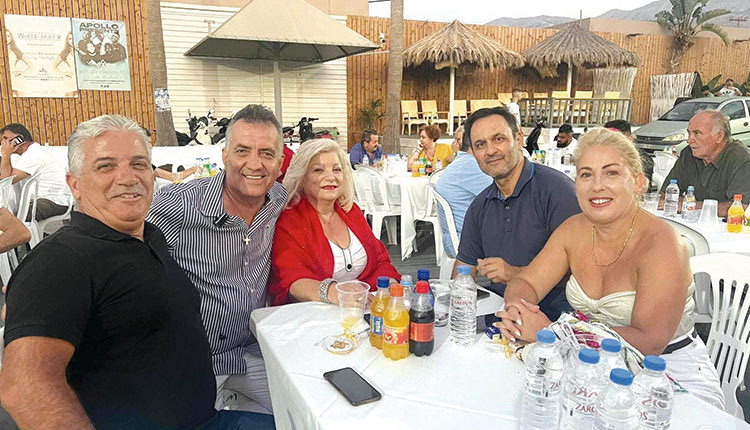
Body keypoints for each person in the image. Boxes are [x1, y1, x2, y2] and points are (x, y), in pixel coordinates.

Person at [0, 114, 273, 429]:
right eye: (106, 166)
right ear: (74, 184)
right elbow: (25, 389)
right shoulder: (61, 259)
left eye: (139, 164)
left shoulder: (150, 238)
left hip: (206, 416)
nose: (127, 178)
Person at [496, 128, 724, 409]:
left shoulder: (662, 244)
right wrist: (517, 311)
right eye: (586, 174)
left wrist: (554, 333)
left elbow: (648, 341)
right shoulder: (573, 230)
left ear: (638, 182)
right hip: (589, 367)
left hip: (667, 373)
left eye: (611, 173)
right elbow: (526, 283)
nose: (597, 186)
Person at [148, 104, 287, 415]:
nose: (255, 164)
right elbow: (119, 246)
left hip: (249, 352)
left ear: (279, 162)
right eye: (242, 151)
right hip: (192, 360)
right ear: (224, 155)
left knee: (306, 411)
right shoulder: (181, 205)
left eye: (266, 153)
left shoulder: (278, 200)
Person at [454, 107, 581, 321]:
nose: (490, 151)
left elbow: (583, 274)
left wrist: (514, 273)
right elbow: (463, 269)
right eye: (480, 144)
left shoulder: (558, 192)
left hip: (555, 322)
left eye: (499, 139)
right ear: (473, 153)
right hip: (499, 318)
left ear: (519, 139)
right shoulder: (479, 206)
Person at [268, 138, 400, 305]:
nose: (331, 177)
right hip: (315, 312)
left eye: (337, 169)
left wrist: (389, 284)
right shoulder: (289, 219)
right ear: (301, 177)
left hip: (364, 307)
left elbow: (380, 259)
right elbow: (291, 279)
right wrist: (335, 293)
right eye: (318, 170)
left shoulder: (351, 210)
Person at [660, 110, 750, 217]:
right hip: (691, 222)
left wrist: (690, 206)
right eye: (689, 133)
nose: (689, 140)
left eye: (697, 133)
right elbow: (666, 194)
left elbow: (741, 208)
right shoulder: (688, 154)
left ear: (719, 136)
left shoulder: (741, 159)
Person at [435, 126, 492, 258]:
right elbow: (504, 193)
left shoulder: (462, 162)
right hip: (465, 241)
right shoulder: (470, 165)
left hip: (457, 236)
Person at [0, 123, 71, 220]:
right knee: (11, 214)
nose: (3, 143)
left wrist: (5, 155)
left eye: (5, 138)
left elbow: (8, 180)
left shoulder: (33, 154)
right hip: (45, 199)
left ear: (19, 139)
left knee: (15, 218)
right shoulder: (29, 153)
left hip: (54, 201)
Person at [604, 119, 655, 192]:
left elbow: (643, 192)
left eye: (616, 140)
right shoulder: (600, 158)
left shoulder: (643, 160)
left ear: (630, 139)